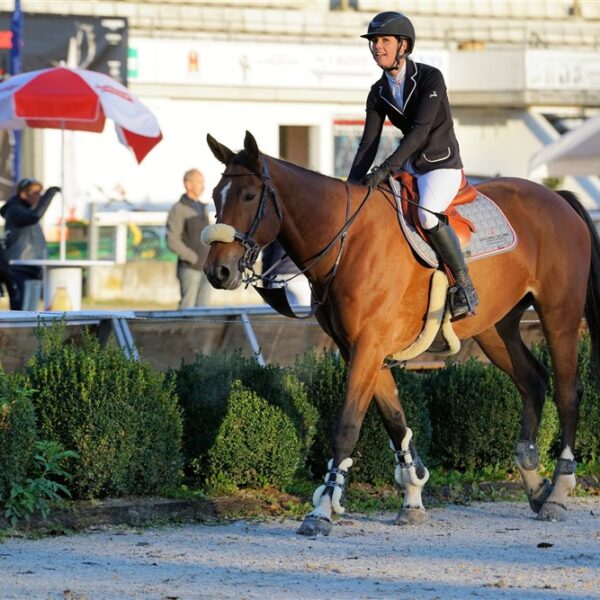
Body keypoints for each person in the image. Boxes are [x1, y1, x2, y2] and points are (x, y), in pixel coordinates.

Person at [348, 11, 478, 320]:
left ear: (403, 46)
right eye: (374, 41)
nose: (378, 47)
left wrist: (387, 168)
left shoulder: (431, 78)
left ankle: (465, 286)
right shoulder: (378, 92)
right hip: (410, 167)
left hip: (441, 164)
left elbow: (420, 131)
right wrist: (350, 187)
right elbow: (368, 144)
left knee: (427, 215)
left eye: (385, 40)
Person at [0, 178, 60, 310]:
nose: (39, 196)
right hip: (20, 268)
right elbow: (34, 216)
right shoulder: (14, 210)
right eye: (35, 193)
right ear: (23, 194)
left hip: (32, 267)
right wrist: (49, 194)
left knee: (31, 313)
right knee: (21, 313)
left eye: (41, 193)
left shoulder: (23, 210)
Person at [166, 168, 211, 308]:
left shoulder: (203, 208)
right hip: (190, 269)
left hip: (207, 269)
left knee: (204, 311)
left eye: (203, 182)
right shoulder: (178, 209)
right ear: (188, 184)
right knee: (188, 310)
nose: (203, 186)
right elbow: (172, 240)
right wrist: (193, 258)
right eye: (199, 182)